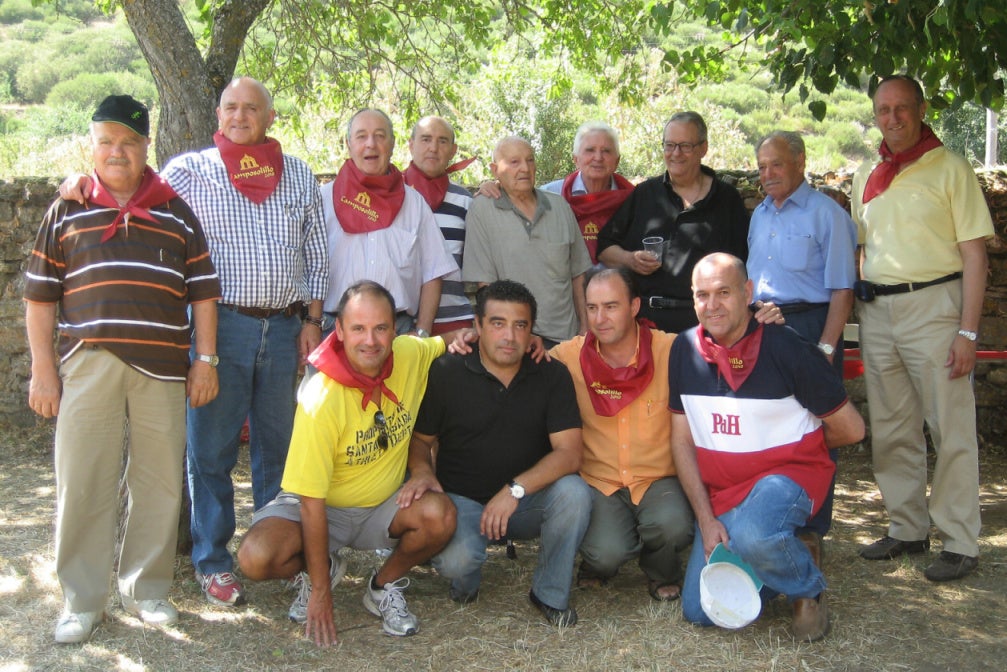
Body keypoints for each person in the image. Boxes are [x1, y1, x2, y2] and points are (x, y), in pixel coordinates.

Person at [25, 95, 222, 643]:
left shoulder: (176, 211)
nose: (117, 152)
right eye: (107, 141)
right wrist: (43, 372)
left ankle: (146, 589)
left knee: (158, 484)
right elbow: (40, 298)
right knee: (83, 481)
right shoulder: (66, 209)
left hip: (163, 370)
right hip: (88, 365)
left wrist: (204, 361)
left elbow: (203, 293)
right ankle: (83, 600)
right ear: (92, 145)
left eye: (129, 142)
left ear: (145, 148)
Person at [236, 281, 457, 646]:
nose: (370, 340)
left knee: (441, 515)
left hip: (382, 505)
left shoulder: (408, 352)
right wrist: (323, 592)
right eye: (358, 328)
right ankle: (320, 566)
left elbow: (447, 342)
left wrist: (475, 334)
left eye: (381, 328)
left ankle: (382, 585)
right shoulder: (320, 399)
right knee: (255, 557)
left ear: (393, 330)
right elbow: (311, 503)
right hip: (323, 508)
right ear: (338, 331)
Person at [670, 253, 865, 642]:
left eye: (724, 292)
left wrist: (795, 447)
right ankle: (784, 552)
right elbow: (681, 440)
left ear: (748, 292)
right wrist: (707, 521)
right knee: (700, 611)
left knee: (754, 534)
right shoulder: (684, 350)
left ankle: (806, 588)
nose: (712, 305)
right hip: (725, 494)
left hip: (787, 478)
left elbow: (852, 429)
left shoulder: (788, 348)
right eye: (702, 295)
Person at [852, 75, 993, 581]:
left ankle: (958, 540)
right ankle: (907, 527)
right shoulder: (867, 173)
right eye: (883, 110)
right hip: (880, 313)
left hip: (935, 306)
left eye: (902, 108)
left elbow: (975, 255)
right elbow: (862, 247)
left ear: (921, 109)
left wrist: (968, 332)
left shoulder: (951, 168)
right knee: (891, 426)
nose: (892, 118)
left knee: (949, 425)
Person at [400, 280, 591, 626]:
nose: (510, 336)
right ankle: (464, 581)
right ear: (477, 326)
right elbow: (421, 440)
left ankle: (549, 593)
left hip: (525, 501)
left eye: (520, 325)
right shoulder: (446, 371)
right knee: (458, 561)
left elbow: (570, 454)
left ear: (533, 330)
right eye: (498, 323)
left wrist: (514, 490)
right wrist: (423, 471)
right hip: (462, 502)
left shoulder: (551, 374)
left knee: (575, 494)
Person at [550, 267, 693, 601]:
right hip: (600, 482)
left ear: (634, 307)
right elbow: (521, 362)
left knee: (672, 526)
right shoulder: (568, 357)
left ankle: (661, 570)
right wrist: (465, 341)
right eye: (592, 307)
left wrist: (763, 322)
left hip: (658, 479)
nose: (600, 318)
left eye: (611, 306)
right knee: (606, 552)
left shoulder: (670, 351)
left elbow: (721, 347)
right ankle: (597, 562)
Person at [746, 130, 858, 553]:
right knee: (772, 423)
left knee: (817, 426)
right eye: (761, 167)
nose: (768, 174)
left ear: (800, 161)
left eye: (776, 164)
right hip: (763, 325)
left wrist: (826, 350)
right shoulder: (759, 215)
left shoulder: (826, 214)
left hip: (810, 326)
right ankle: (776, 519)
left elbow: (842, 291)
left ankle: (813, 529)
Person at [597, 111, 749, 333]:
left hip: (705, 324)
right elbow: (604, 247)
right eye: (669, 145)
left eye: (685, 146)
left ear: (703, 148)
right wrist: (630, 260)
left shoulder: (727, 200)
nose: (675, 153)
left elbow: (742, 266)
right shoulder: (646, 194)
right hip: (646, 325)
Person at [322, 109, 457, 337]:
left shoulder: (413, 203)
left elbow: (434, 272)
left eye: (380, 136)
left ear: (393, 144)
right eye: (361, 136)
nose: (371, 144)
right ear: (348, 143)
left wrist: (422, 332)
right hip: (333, 331)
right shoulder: (324, 199)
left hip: (398, 332)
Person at [462, 136, 592, 347]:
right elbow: (486, 287)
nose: (525, 168)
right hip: (515, 342)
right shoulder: (482, 210)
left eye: (530, 160)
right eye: (514, 162)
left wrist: (584, 330)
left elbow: (578, 274)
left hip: (566, 340)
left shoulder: (559, 206)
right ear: (495, 170)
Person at [404, 115, 476, 334]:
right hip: (399, 321)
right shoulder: (392, 195)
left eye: (442, 141)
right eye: (425, 139)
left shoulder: (465, 201)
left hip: (455, 322)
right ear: (411, 145)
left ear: (453, 151)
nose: (433, 148)